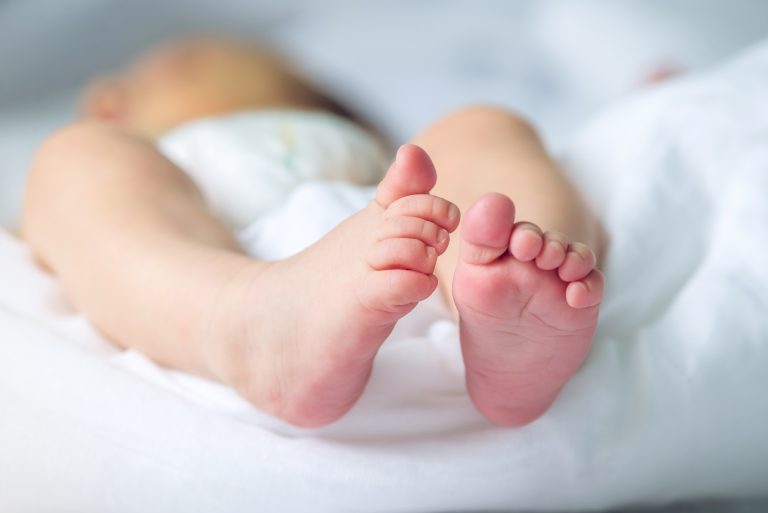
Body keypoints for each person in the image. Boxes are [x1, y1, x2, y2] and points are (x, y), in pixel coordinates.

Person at [21, 38, 605, 428]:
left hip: (412, 246)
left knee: (482, 125)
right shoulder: (144, 164)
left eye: (180, 66)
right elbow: (63, 247)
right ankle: (239, 322)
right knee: (71, 162)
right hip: (220, 269)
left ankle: (505, 283)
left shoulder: (386, 158)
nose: (104, 95)